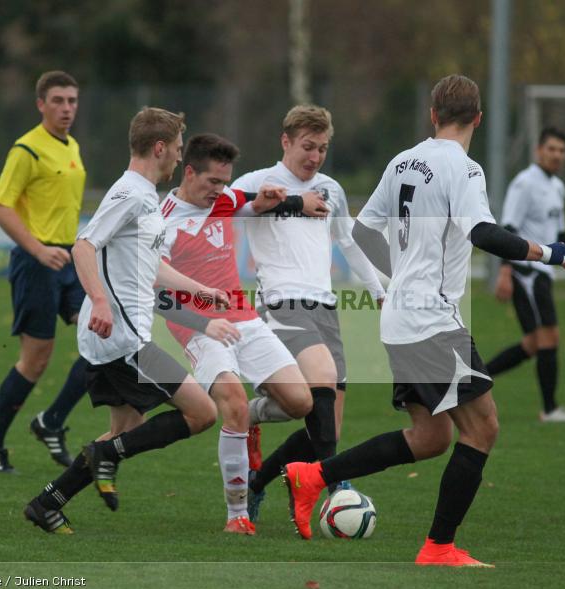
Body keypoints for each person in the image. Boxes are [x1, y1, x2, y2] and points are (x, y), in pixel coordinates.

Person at [282, 75, 565, 567]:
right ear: (478, 120)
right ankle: (439, 547)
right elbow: (483, 232)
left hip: (402, 318)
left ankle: (311, 477)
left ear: (432, 115)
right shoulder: (463, 168)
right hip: (431, 321)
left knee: (431, 438)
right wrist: (547, 251)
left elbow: (361, 230)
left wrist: (400, 275)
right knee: (483, 428)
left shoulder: (403, 160)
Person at [24, 107, 231, 533]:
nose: (178, 158)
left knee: (125, 431)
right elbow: (84, 246)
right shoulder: (131, 195)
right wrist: (98, 300)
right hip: (123, 338)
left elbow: (149, 268)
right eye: (175, 150)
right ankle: (102, 460)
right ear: (159, 148)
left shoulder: (144, 197)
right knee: (203, 412)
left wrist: (200, 290)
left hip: (118, 335)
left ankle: (48, 502)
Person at [158, 133, 331, 534]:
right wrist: (203, 319)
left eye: (224, 183)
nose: (220, 192)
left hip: (244, 319)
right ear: (188, 171)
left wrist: (284, 200)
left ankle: (250, 420)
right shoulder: (163, 220)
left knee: (301, 402)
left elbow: (250, 203)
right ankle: (237, 515)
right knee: (232, 402)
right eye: (212, 183)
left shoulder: (224, 199)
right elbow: (157, 292)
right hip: (198, 328)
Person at [231, 105, 386, 519]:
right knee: (322, 378)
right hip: (280, 302)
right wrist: (288, 203)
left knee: (326, 425)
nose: (314, 156)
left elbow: (348, 241)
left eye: (321, 148)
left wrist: (378, 290)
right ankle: (334, 482)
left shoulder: (331, 188)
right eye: (306, 146)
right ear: (286, 142)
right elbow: (229, 206)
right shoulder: (260, 182)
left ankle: (258, 481)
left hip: (326, 306)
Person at [0, 71, 89, 472]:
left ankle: (52, 421)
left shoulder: (72, 145)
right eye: (58, 100)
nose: (66, 108)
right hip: (36, 262)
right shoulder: (27, 149)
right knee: (35, 359)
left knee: (103, 337)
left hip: (69, 260)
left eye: (72, 101)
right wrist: (39, 250)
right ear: (41, 104)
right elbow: (1, 207)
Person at [486, 126, 565, 423]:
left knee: (534, 344)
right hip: (527, 272)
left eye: (562, 151)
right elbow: (507, 230)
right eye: (551, 149)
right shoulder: (524, 184)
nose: (557, 155)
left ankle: (474, 379)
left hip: (544, 273)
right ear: (538, 150)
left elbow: (559, 232)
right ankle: (549, 410)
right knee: (548, 337)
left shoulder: (557, 187)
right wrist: (505, 272)